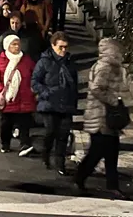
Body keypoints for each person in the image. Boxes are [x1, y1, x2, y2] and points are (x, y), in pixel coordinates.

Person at [75, 38, 130, 199]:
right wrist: (115, 101)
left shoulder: (111, 66)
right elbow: (96, 88)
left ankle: (112, 186)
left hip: (106, 117)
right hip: (100, 117)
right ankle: (80, 178)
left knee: (111, 152)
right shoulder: (105, 67)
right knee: (97, 153)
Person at [31, 32, 78, 175]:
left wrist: (73, 102)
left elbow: (74, 84)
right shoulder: (44, 62)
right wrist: (46, 93)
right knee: (50, 132)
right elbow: (35, 81)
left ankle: (60, 164)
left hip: (66, 103)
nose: (63, 50)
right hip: (49, 104)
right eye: (60, 47)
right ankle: (46, 153)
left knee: (63, 135)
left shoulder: (70, 62)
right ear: (53, 45)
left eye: (65, 47)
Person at [0, 35, 37, 156]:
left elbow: (35, 75)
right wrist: (1, 90)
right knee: (6, 125)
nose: (17, 47)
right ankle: (5, 144)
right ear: (7, 46)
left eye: (18, 44)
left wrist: (33, 89)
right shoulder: (0, 61)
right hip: (8, 100)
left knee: (25, 124)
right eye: (14, 44)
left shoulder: (26, 60)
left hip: (25, 98)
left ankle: (25, 145)